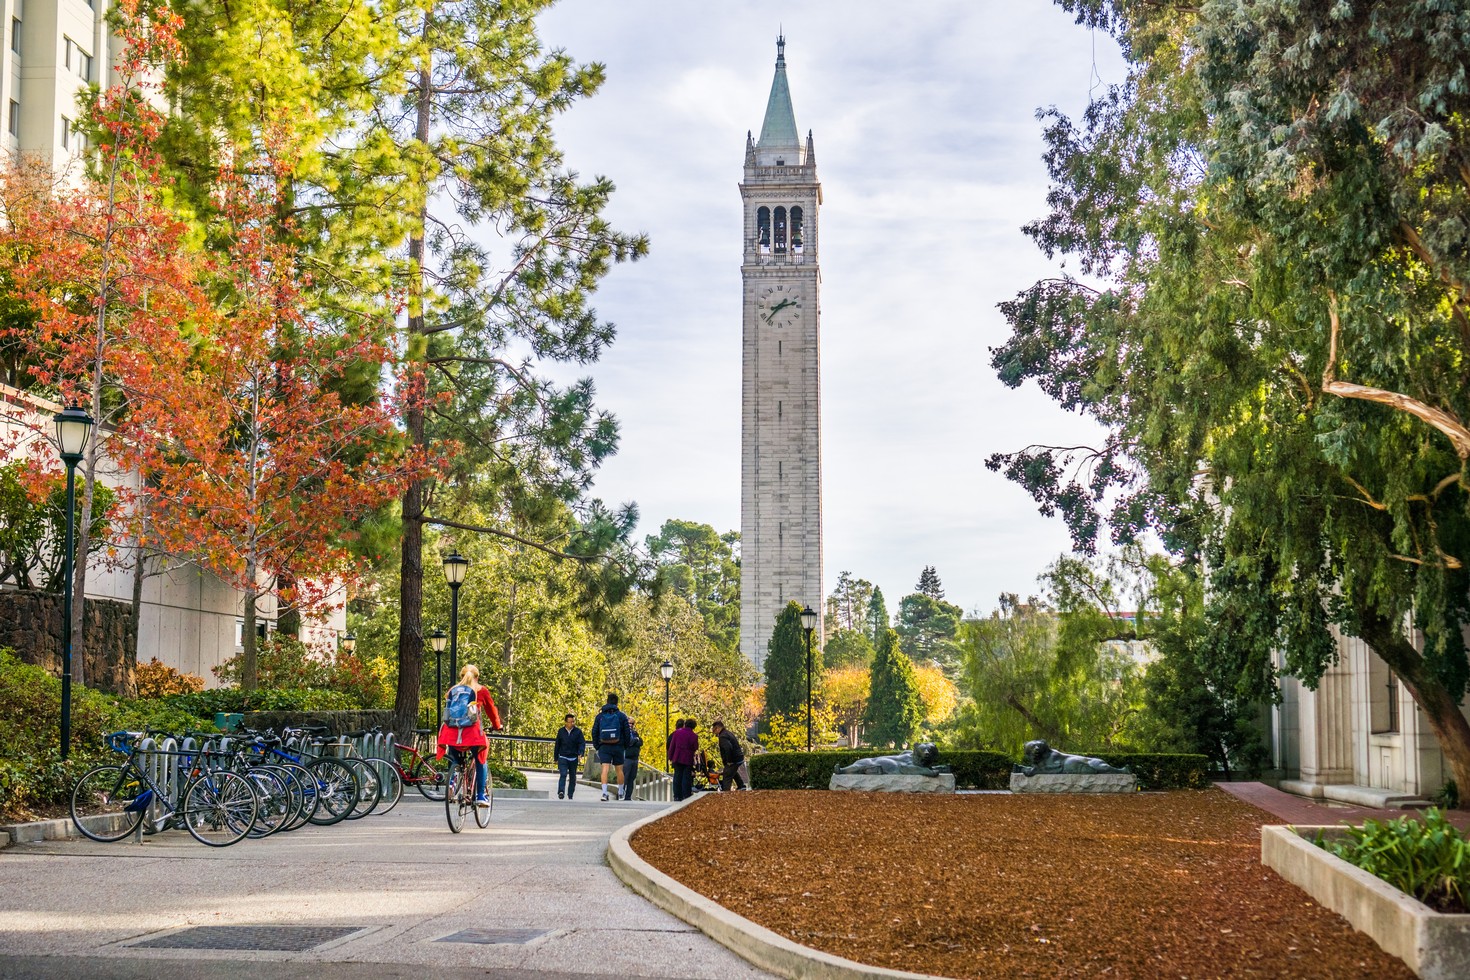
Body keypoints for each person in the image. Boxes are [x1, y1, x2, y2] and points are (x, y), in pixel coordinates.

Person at [436, 664, 503, 808]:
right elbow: (492, 711)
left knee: (456, 759)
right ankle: (480, 795)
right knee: (481, 759)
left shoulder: (452, 691)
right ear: (477, 677)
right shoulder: (481, 691)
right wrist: (497, 726)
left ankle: (453, 783)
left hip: (451, 734)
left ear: (461, 676)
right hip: (472, 735)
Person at [590, 692, 631, 801]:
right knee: (619, 770)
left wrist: (598, 746)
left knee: (605, 769)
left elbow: (594, 732)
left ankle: (604, 793)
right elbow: (627, 732)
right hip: (618, 746)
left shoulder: (600, 716)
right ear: (617, 703)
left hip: (604, 746)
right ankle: (621, 793)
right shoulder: (622, 716)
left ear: (607, 701)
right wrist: (625, 745)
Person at [553, 713, 585, 800]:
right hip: (563, 757)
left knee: (572, 777)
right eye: (570, 722)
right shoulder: (561, 731)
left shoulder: (578, 732)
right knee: (563, 774)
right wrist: (555, 757)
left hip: (573, 757)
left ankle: (570, 794)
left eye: (573, 722)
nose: (572, 724)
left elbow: (582, 743)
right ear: (566, 722)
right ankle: (561, 791)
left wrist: (580, 753)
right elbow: (557, 745)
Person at [669, 717, 699, 801]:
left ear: (685, 724)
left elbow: (672, 746)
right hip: (687, 759)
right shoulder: (694, 736)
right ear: (693, 727)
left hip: (677, 757)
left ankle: (677, 795)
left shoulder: (677, 733)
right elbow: (695, 747)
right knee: (686, 777)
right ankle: (686, 795)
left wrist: (670, 757)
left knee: (677, 776)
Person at [711, 719, 747, 791]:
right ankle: (741, 785)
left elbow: (728, 748)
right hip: (738, 757)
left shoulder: (722, 736)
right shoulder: (728, 733)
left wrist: (729, 761)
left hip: (733, 759)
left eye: (714, 730)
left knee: (727, 774)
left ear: (718, 728)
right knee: (732, 771)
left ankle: (726, 792)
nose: (714, 732)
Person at [622, 718, 643, 801]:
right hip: (627, 759)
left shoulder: (635, 733)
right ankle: (621, 794)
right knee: (624, 778)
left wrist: (635, 741)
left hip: (635, 758)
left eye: (632, 724)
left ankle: (628, 796)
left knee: (632, 778)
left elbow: (641, 742)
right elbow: (629, 742)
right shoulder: (624, 733)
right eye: (629, 723)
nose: (630, 725)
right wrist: (635, 741)